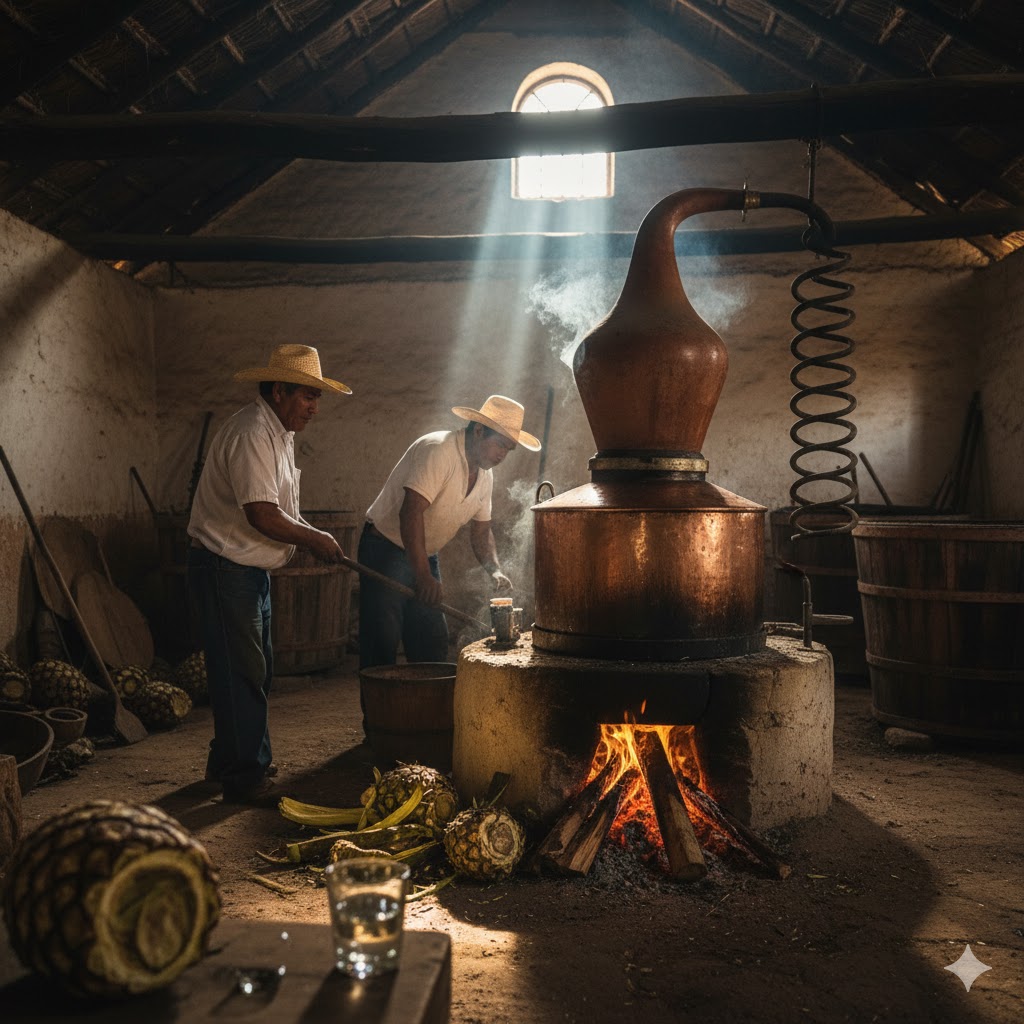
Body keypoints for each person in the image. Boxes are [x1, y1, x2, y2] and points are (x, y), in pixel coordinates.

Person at [187, 344, 350, 805]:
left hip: (246, 569)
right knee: (243, 672)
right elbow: (261, 513)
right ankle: (245, 777)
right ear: (279, 391)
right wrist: (314, 538)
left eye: (318, 398)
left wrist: (303, 536)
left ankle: (229, 761)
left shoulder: (279, 432)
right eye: (307, 396)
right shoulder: (252, 433)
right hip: (224, 567)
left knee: (253, 672)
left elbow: (275, 508)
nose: (314, 407)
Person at [358, 394, 541, 671]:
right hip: (385, 548)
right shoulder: (439, 450)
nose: (503, 454)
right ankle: (377, 716)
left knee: (431, 644)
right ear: (478, 430)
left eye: (509, 449)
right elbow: (410, 513)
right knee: (381, 643)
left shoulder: (485, 475)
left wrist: (494, 570)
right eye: (500, 444)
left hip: (424, 553)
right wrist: (423, 575)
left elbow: (482, 533)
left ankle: (427, 714)